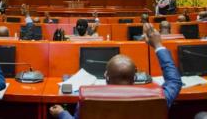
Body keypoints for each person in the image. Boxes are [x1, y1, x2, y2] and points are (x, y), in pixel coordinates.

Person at [50, 23, 182, 118]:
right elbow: (174, 82)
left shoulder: (88, 98)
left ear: (106, 76)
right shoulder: (157, 97)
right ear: (135, 78)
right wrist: (158, 45)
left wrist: (62, 113)